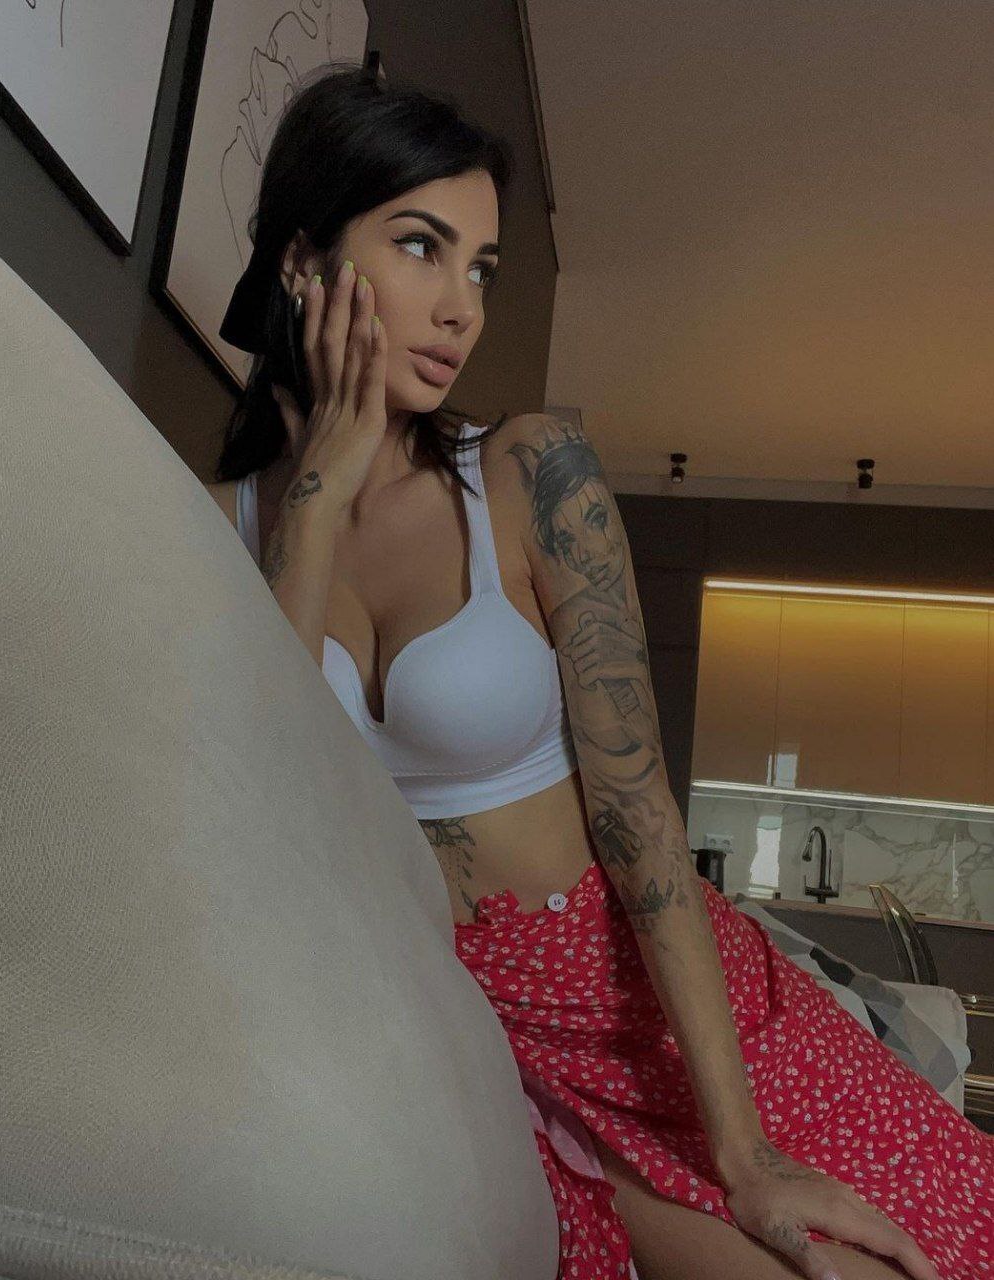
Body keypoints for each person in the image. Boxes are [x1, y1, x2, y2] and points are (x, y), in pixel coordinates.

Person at [205, 62, 993, 1280]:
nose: (461, 308)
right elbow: (258, 816)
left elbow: (639, 819)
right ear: (305, 262)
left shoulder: (530, 472)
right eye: (420, 246)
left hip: (638, 1008)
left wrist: (744, 1151)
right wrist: (316, 490)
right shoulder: (226, 524)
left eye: (480, 267)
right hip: (453, 1034)